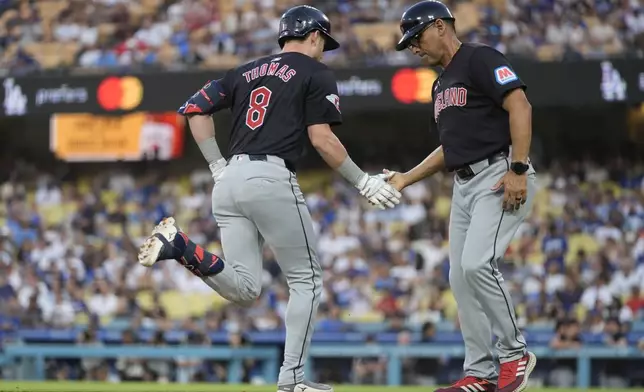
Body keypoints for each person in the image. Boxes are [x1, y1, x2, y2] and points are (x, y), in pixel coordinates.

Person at [137, 5, 401, 392]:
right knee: (307, 280)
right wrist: (363, 182)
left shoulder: (244, 70)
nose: (323, 50)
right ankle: (292, 380)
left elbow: (194, 108)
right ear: (314, 36)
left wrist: (216, 166)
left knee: (245, 289)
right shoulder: (316, 71)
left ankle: (180, 247)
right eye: (323, 43)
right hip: (269, 177)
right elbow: (321, 138)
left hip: (228, 182)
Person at [385, 1, 537, 392]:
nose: (413, 48)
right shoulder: (439, 84)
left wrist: (517, 168)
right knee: (460, 278)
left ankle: (515, 353)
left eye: (416, 37)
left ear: (440, 26)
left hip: (499, 173)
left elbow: (519, 103)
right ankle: (480, 374)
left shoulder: (479, 58)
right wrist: (406, 178)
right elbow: (450, 148)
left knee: (475, 265)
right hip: (465, 183)